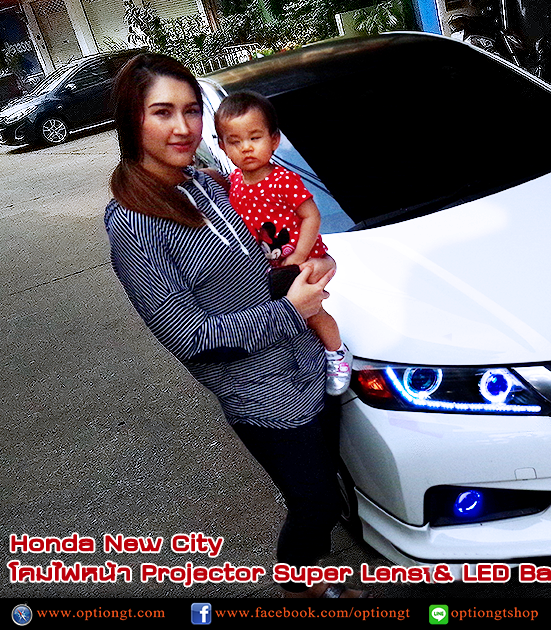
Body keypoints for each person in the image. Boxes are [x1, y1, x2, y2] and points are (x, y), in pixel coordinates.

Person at [103, 53, 366, 598]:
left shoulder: (206, 183)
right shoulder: (133, 220)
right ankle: (299, 584)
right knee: (314, 501)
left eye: (191, 110)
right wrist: (291, 310)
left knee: (329, 484)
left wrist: (310, 260)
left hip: (308, 363)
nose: (184, 127)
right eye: (163, 112)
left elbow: (269, 237)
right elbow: (188, 336)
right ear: (131, 120)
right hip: (261, 396)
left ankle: (313, 567)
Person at [213, 91, 350, 396]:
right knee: (292, 317)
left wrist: (300, 256)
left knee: (313, 313)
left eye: (255, 137)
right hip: (271, 267)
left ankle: (338, 353)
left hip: (303, 260)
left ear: (274, 140)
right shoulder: (234, 183)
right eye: (235, 141)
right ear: (222, 146)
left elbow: (311, 216)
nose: (246, 147)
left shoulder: (283, 180)